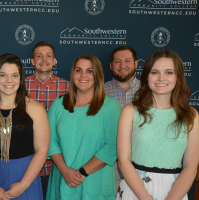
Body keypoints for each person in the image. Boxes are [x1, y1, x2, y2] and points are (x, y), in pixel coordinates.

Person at [117, 50, 199, 200]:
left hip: (175, 191)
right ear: (147, 75)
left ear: (178, 77)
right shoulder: (130, 111)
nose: (161, 78)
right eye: (154, 72)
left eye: (169, 72)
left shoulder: (191, 115)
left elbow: (191, 166)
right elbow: (123, 161)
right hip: (135, 190)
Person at [46, 54, 121, 200]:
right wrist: (65, 170)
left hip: (95, 183)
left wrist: (82, 173)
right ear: (73, 74)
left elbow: (112, 146)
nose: (83, 75)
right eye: (78, 70)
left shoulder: (111, 107)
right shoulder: (58, 104)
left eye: (89, 71)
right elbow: (49, 140)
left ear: (97, 75)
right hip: (62, 180)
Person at [0, 54, 50, 200]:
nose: (9, 80)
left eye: (14, 75)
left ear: (20, 79)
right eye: (3, 75)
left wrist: (23, 185)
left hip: (26, 176)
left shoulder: (35, 109)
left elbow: (42, 150)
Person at [25, 41, 69, 198]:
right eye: (39, 56)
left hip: (58, 167)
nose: (44, 59)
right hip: (27, 165)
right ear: (32, 61)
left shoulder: (68, 88)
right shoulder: (19, 86)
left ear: (55, 61)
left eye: (48, 56)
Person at [104, 46, 140, 191]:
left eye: (127, 61)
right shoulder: (99, 91)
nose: (122, 66)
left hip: (141, 162)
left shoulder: (149, 91)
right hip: (109, 163)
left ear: (136, 64)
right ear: (111, 66)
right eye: (117, 62)